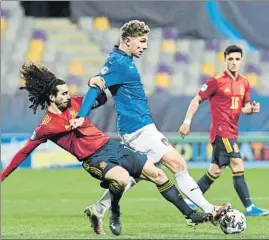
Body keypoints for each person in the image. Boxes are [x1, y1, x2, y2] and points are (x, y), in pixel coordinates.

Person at [1, 62, 214, 237]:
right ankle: (115, 213)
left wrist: (94, 84)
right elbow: (23, 153)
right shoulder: (46, 127)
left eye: (68, 92)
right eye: (64, 94)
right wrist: (2, 176)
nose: (68, 96)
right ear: (51, 97)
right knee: (122, 179)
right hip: (93, 159)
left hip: (112, 146)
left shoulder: (76, 104)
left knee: (158, 174)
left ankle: (190, 214)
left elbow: (101, 98)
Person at [69, 20, 231, 234]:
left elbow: (98, 79)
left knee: (136, 176)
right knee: (178, 164)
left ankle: (99, 208)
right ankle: (208, 210)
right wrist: (82, 116)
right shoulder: (118, 63)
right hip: (139, 129)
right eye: (142, 41)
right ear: (127, 40)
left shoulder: (121, 60)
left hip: (138, 128)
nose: (145, 46)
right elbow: (95, 85)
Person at [179, 45, 269, 217]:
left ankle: (191, 199)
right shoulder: (216, 81)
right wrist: (187, 122)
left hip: (233, 131)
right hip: (222, 131)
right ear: (225, 59)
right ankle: (250, 207)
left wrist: (252, 109)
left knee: (215, 170)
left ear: (241, 61)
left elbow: (244, 108)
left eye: (237, 59)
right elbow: (197, 99)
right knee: (238, 164)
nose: (234, 62)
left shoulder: (244, 82)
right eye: (231, 59)